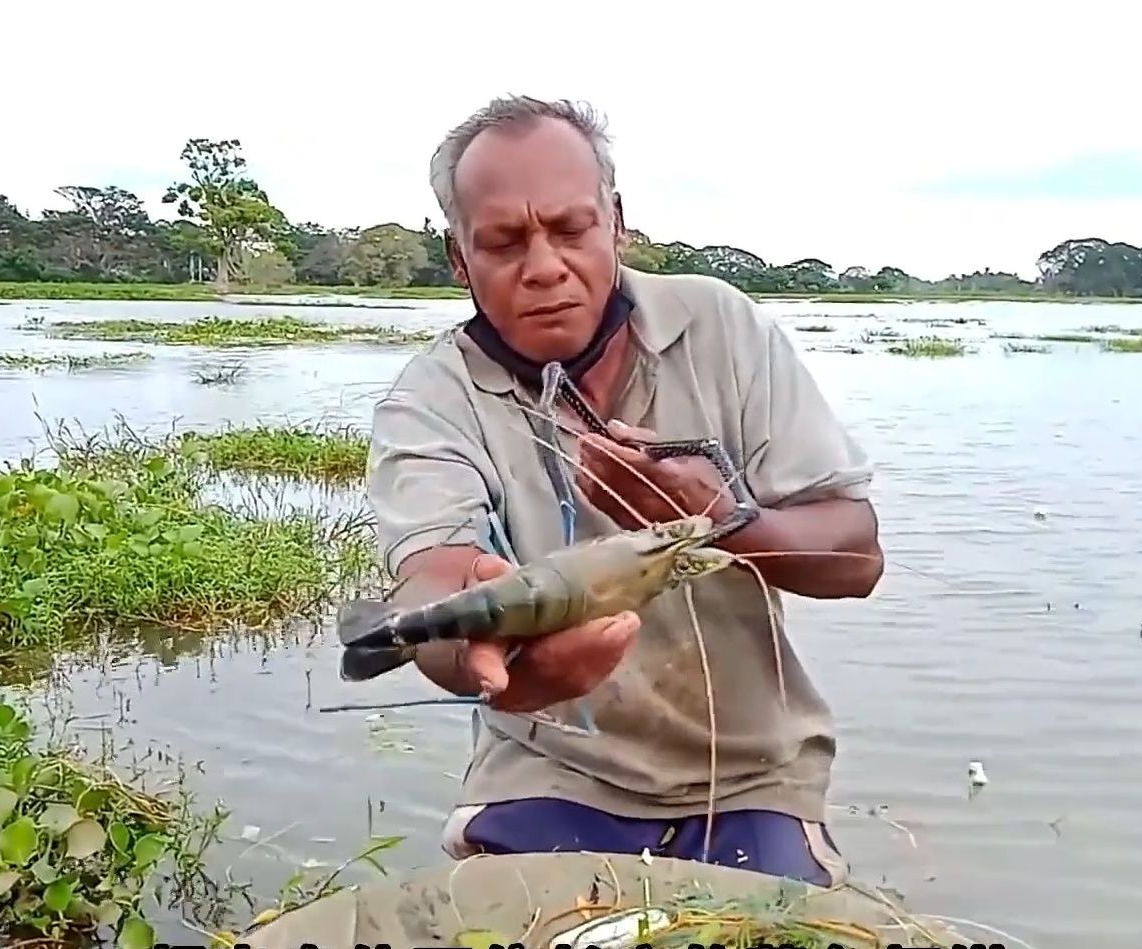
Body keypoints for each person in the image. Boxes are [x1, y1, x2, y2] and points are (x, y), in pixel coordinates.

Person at [365, 95, 884, 887]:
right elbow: (432, 575)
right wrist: (494, 656)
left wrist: (723, 522)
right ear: (459, 259)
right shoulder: (430, 399)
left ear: (616, 222)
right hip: (544, 771)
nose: (544, 267)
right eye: (503, 243)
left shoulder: (721, 326)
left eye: (570, 229)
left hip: (750, 777)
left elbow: (857, 555)